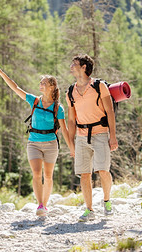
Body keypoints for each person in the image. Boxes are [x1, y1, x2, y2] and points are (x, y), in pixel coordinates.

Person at [0, 62, 70, 216]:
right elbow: (15, 88)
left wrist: (72, 148)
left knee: (48, 176)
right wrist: (2, 73)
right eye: (41, 82)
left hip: (50, 144)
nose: (40, 85)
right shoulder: (34, 101)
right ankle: (40, 205)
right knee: (36, 173)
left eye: (44, 83)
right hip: (33, 143)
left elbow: (65, 131)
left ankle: (45, 204)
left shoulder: (57, 108)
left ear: (52, 87)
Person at [66, 54, 118, 222]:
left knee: (103, 170)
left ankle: (107, 201)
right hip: (81, 137)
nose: (71, 66)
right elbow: (71, 120)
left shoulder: (99, 86)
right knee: (85, 174)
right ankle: (89, 209)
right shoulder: (70, 91)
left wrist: (113, 136)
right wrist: (71, 144)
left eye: (74, 64)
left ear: (84, 67)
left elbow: (110, 111)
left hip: (101, 134)